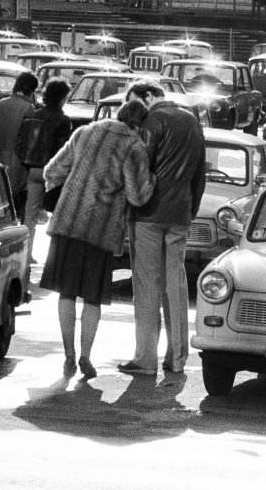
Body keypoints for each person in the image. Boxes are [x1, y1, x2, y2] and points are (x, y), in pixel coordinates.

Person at [41, 98, 154, 379]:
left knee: (66, 292)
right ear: (140, 124)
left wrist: (68, 191)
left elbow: (51, 171)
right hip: (101, 231)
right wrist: (153, 179)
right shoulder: (134, 146)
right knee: (92, 297)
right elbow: (138, 195)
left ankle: (67, 354)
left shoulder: (84, 133)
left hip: (67, 223)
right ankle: (85, 357)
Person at [118, 82, 206, 376]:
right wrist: (189, 210)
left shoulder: (151, 121)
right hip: (180, 210)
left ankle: (145, 358)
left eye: (135, 102)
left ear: (148, 97)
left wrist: (133, 203)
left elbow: (140, 168)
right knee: (176, 286)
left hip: (148, 214)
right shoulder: (193, 121)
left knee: (146, 287)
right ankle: (178, 357)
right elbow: (199, 175)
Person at [16, 77, 73, 265]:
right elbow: (63, 151)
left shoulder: (33, 115)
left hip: (32, 169)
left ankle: (26, 253)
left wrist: (27, 163)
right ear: (63, 97)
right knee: (58, 216)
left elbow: (20, 144)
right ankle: (54, 259)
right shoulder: (63, 120)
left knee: (29, 216)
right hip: (54, 173)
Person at [0, 71, 38, 221]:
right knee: (13, 205)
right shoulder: (29, 109)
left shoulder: (0, 104)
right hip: (16, 162)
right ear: (32, 90)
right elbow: (29, 139)